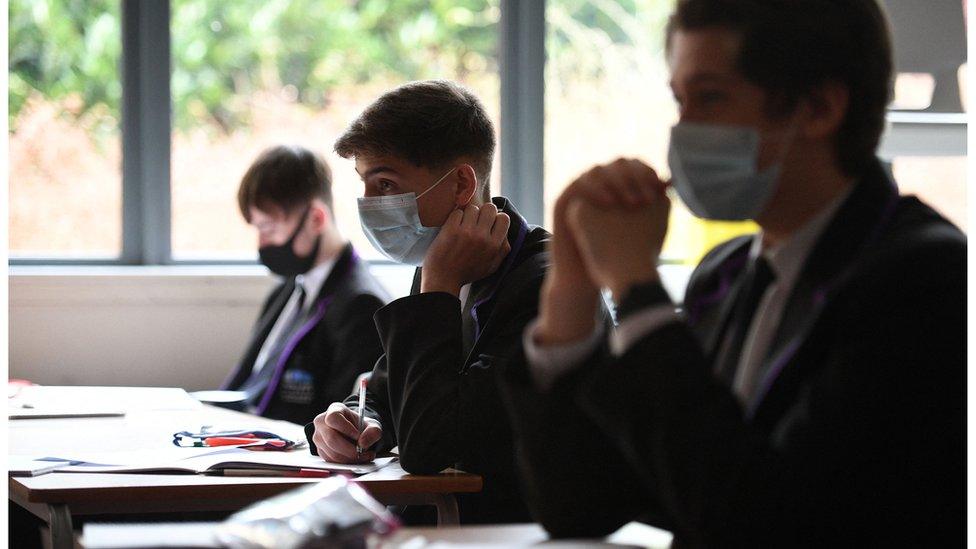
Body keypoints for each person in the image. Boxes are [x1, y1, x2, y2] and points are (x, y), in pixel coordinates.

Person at [499, 1, 966, 547]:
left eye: (711, 97)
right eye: (680, 100)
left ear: (819, 107)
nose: (683, 129)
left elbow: (766, 519)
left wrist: (637, 291)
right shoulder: (726, 274)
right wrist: (571, 295)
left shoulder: (925, 277)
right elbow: (581, 509)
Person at [309, 80, 558, 524]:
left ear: (462, 183)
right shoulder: (442, 267)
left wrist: (440, 286)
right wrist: (353, 419)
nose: (368, 204)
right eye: (364, 185)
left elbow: (432, 445)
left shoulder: (548, 284)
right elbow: (390, 389)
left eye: (385, 182)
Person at [221, 145, 389, 425]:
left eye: (269, 229)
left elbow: (340, 423)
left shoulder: (361, 307)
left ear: (316, 219)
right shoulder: (286, 291)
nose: (262, 245)